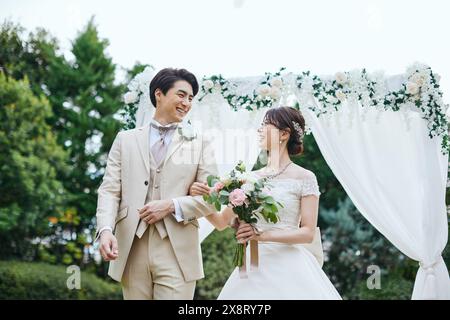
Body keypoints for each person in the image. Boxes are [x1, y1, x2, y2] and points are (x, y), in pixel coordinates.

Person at [190, 106, 342, 299]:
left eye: (265, 124)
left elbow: (307, 232)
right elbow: (221, 222)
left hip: (290, 267)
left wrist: (260, 235)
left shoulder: (305, 177)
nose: (259, 129)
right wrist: (200, 197)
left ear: (284, 134)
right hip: (252, 268)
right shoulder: (247, 179)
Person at [96, 68, 218, 299]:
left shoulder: (201, 143)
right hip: (132, 246)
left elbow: (213, 199)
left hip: (177, 249)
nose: (186, 103)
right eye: (181, 95)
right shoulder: (125, 139)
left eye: (191, 98)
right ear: (159, 94)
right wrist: (104, 230)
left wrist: (172, 205)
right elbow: (109, 190)